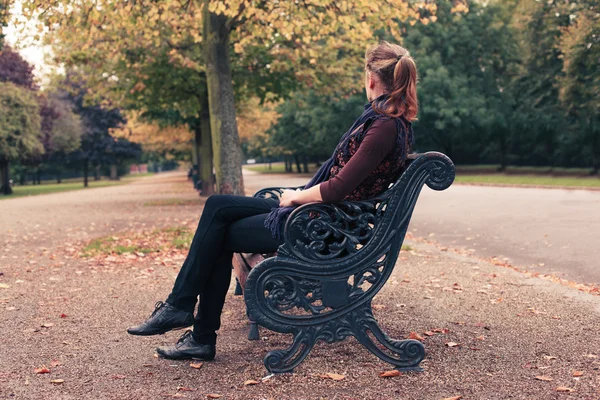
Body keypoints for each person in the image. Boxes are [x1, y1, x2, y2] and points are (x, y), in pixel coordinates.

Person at [127, 41, 418, 361]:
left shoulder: (384, 127)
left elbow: (337, 188)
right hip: (325, 216)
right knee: (217, 206)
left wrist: (295, 197)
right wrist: (298, 198)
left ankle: (193, 325)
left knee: (220, 233)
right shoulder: (384, 121)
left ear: (371, 79)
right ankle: (182, 310)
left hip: (325, 226)